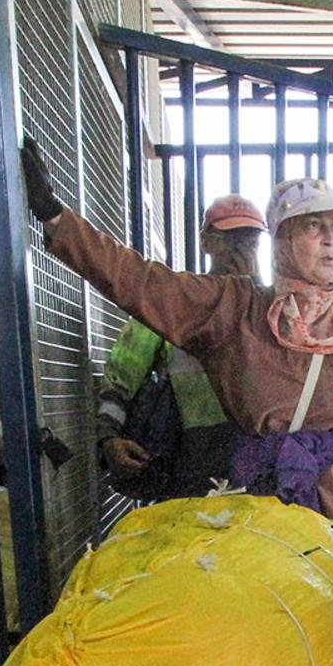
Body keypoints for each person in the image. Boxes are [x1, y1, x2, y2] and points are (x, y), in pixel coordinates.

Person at [19, 138, 333, 616]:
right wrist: (56, 218)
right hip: (258, 496)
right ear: (282, 240)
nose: (329, 238)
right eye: (313, 225)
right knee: (265, 627)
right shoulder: (233, 307)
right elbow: (142, 282)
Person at [96, 194, 265, 503]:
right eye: (230, 239)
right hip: (188, 462)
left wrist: (253, 295)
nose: (239, 251)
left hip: (256, 459)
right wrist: (109, 437)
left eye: (249, 242)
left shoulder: (272, 311)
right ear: (206, 243)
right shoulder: (173, 303)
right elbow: (121, 373)